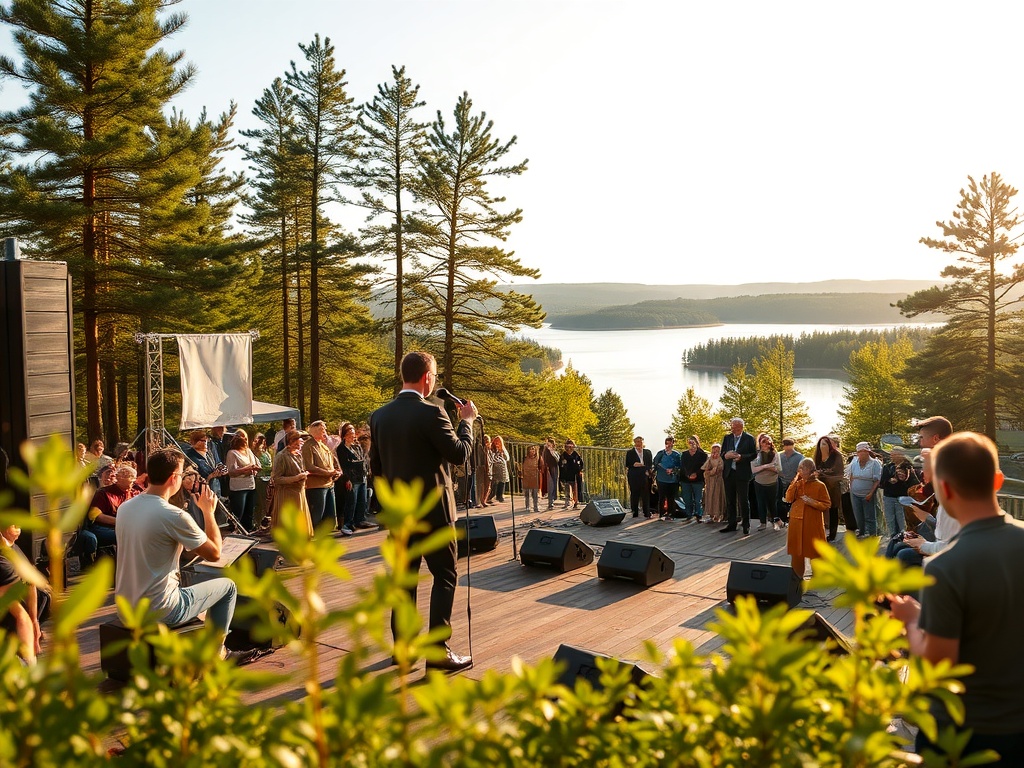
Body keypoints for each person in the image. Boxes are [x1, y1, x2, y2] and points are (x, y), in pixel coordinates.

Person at [890, 432, 1024, 765]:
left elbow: (939, 664)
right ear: (997, 481)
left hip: (964, 733)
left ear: (945, 490)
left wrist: (912, 621)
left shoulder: (945, 567)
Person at [369, 351, 477, 672]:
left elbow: (375, 470)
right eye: (435, 376)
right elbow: (458, 454)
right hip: (435, 516)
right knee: (445, 575)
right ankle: (437, 650)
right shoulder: (432, 413)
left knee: (404, 582)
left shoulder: (379, 416)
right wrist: (467, 423)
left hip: (400, 517)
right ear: (427, 377)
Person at [114, 449, 245, 660]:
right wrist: (208, 513)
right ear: (174, 478)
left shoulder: (125, 508)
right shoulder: (174, 515)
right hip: (161, 610)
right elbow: (214, 553)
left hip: (125, 607)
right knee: (228, 587)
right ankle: (217, 653)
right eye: (183, 474)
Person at [0, 520, 50, 664]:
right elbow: (20, 615)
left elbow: (31, 583)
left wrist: (35, 620)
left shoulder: (15, 549)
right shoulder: (2, 561)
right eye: (13, 524)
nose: (19, 529)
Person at [784, 458, 831, 578]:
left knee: (814, 550)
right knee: (796, 552)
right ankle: (796, 578)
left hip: (812, 522)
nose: (799, 470)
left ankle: (818, 578)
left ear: (810, 470)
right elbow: (788, 498)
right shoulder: (798, 483)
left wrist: (812, 502)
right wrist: (795, 481)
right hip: (796, 521)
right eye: (799, 468)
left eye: (802, 468)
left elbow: (826, 504)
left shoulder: (820, 485)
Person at [270, 430, 313, 538]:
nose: (299, 445)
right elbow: (277, 479)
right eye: (296, 443)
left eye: (299, 443)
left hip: (299, 493)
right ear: (290, 441)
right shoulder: (281, 456)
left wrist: (304, 475)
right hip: (287, 495)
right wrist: (296, 478)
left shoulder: (299, 455)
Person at [302, 420, 342, 532]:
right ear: (314, 431)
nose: (325, 431)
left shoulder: (323, 445)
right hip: (316, 486)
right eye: (322, 429)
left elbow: (332, 460)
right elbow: (309, 466)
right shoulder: (308, 446)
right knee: (317, 514)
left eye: (324, 428)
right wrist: (328, 473)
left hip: (329, 484)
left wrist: (337, 470)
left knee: (330, 514)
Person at [719, 418, 756, 534]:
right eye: (732, 426)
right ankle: (731, 524)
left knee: (743, 500)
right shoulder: (727, 438)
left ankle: (746, 525)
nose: (732, 428)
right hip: (729, 473)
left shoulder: (749, 438)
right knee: (730, 500)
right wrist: (726, 455)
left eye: (735, 426)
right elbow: (722, 454)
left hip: (742, 473)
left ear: (741, 427)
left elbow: (754, 454)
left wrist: (741, 457)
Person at [336, 422, 373, 531]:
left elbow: (363, 459)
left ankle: (360, 519)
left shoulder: (357, 446)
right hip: (352, 478)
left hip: (362, 476)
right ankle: (349, 522)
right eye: (350, 434)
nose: (352, 436)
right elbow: (344, 465)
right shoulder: (341, 448)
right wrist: (347, 479)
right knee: (352, 501)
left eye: (353, 434)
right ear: (344, 435)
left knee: (362, 500)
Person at [225, 430, 260, 532]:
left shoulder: (249, 451)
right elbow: (231, 471)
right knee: (238, 511)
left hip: (250, 484)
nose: (243, 439)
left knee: (249, 511)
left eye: (245, 437)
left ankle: (248, 530)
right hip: (239, 487)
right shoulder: (232, 453)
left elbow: (257, 464)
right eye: (241, 437)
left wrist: (255, 470)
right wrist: (246, 469)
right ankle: (235, 532)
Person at [880, 446, 918, 538]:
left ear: (901, 455)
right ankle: (893, 538)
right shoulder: (887, 467)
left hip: (902, 498)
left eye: (894, 454)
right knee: (890, 520)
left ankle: (903, 538)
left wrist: (903, 479)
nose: (891, 456)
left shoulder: (908, 467)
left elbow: (914, 483)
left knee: (902, 520)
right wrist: (889, 480)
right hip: (889, 497)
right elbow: (881, 482)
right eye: (891, 454)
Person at [813, 435, 845, 541]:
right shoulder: (817, 456)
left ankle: (832, 534)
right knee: (819, 508)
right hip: (819, 486)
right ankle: (819, 532)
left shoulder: (837, 456)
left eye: (824, 444)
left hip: (833, 487)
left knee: (833, 509)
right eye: (820, 444)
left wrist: (822, 474)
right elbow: (814, 469)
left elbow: (838, 472)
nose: (822, 446)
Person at [847, 442, 882, 538]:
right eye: (860, 451)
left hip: (868, 493)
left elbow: (877, 480)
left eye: (864, 451)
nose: (862, 453)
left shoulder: (875, 463)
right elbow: (851, 476)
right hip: (854, 493)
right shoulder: (854, 462)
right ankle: (861, 531)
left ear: (868, 452)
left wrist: (871, 493)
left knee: (870, 516)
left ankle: (872, 534)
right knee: (858, 515)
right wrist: (851, 488)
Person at [184, 430, 228, 498]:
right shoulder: (190, 457)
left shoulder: (209, 453)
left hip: (215, 490)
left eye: (206, 440)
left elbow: (218, 463)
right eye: (203, 440)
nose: (206, 443)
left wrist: (222, 470)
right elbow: (193, 477)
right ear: (195, 442)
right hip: (201, 493)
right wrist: (209, 477)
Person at [751, 434, 782, 531]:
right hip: (759, 482)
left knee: (772, 503)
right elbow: (753, 469)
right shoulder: (756, 454)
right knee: (761, 503)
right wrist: (766, 466)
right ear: (759, 442)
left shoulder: (775, 454)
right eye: (763, 442)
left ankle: (775, 522)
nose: (765, 444)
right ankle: (762, 523)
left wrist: (767, 467)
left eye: (767, 442)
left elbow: (778, 469)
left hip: (772, 482)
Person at [679, 436, 708, 522]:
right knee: (687, 498)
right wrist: (688, 474)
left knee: (697, 499)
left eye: (693, 442)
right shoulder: (684, 454)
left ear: (696, 442)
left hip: (698, 479)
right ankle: (689, 514)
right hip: (686, 479)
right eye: (689, 443)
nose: (691, 444)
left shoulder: (702, 454)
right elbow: (683, 466)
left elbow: (703, 466)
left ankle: (698, 515)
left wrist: (696, 474)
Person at [776, 438, 803, 527]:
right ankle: (782, 521)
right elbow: (775, 467)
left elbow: (801, 470)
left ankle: (792, 521)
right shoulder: (779, 455)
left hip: (793, 483)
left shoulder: (800, 457)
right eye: (785, 445)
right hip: (780, 482)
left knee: (792, 503)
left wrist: (795, 479)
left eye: (789, 445)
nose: (787, 447)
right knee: (780, 503)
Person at [652, 437, 682, 519]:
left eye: (670, 443)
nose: (668, 445)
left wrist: (672, 470)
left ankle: (671, 514)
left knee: (671, 498)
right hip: (661, 479)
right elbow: (655, 463)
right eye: (667, 443)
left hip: (672, 480)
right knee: (661, 497)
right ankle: (661, 514)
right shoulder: (660, 453)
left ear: (673, 443)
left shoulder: (676, 454)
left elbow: (680, 466)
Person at [625, 436, 653, 518]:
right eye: (637, 441)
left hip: (645, 474)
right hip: (634, 475)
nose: (638, 443)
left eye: (640, 441)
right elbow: (628, 464)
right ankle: (635, 512)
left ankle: (647, 512)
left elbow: (649, 464)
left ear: (643, 443)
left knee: (646, 494)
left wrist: (646, 469)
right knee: (634, 493)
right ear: (634, 442)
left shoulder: (647, 452)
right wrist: (637, 464)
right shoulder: (630, 452)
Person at [251, 434, 273, 527]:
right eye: (260, 441)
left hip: (268, 480)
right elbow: (259, 467)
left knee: (266, 503)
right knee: (259, 502)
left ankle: (264, 522)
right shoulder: (254, 453)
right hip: (259, 479)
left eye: (263, 441)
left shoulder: (266, 452)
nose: (262, 444)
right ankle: (257, 522)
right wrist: (270, 468)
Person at [702, 444, 726, 523]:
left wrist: (712, 471)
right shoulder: (709, 459)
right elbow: (705, 468)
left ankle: (718, 514)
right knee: (709, 497)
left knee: (717, 497)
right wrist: (708, 472)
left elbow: (719, 469)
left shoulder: (720, 459)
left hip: (718, 481)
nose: (715, 454)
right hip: (710, 482)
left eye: (717, 452)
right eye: (713, 452)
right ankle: (710, 514)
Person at [559, 440, 584, 510]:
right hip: (566, 474)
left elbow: (581, 463)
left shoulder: (576, 455)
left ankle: (576, 502)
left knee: (575, 489)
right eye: (568, 446)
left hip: (575, 475)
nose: (569, 448)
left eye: (571, 446)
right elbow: (560, 464)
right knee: (566, 489)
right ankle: (567, 503)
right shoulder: (563, 455)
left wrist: (579, 470)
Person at [487, 436, 510, 504]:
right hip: (495, 468)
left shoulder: (502, 449)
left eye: (498, 441)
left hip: (502, 468)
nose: (497, 442)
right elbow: (492, 458)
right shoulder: (492, 449)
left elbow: (507, 458)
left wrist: (502, 452)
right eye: (496, 441)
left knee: (502, 482)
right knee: (494, 483)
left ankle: (500, 496)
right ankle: (491, 496)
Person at [521, 444, 542, 514]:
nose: (532, 451)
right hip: (526, 477)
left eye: (533, 449)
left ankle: (535, 506)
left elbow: (541, 467)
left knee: (534, 493)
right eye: (530, 449)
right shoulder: (525, 458)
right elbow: (522, 467)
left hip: (534, 477)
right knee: (527, 493)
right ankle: (527, 506)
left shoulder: (538, 458)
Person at [541, 437, 559, 510]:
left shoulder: (555, 452)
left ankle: (553, 499)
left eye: (549, 444)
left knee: (554, 485)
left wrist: (552, 451)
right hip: (548, 469)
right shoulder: (545, 451)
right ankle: (550, 502)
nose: (548, 445)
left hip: (554, 469)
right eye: (547, 444)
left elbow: (557, 460)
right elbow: (543, 459)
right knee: (550, 485)